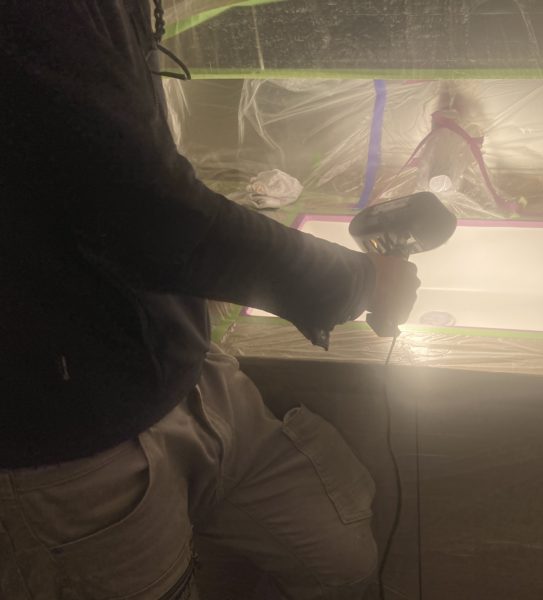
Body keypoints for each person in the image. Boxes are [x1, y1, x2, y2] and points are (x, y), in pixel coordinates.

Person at [0, 1, 420, 598]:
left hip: (190, 376)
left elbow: (111, 188)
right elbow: (146, 216)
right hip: (75, 436)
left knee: (339, 551)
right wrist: (358, 280)